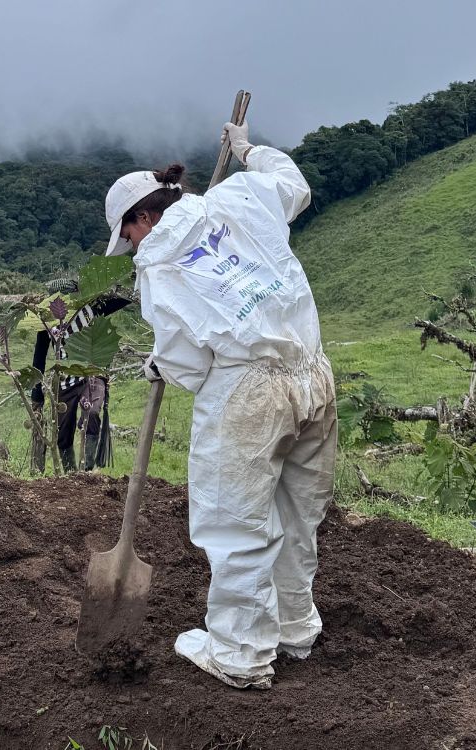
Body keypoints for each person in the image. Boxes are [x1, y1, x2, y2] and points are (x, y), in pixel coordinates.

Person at [102, 121, 336, 690]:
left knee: (237, 525)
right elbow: (292, 184)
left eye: (127, 235)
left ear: (143, 219)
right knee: (299, 513)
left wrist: (161, 361)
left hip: (249, 393)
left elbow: (188, 365)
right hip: (313, 372)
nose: (130, 245)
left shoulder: (158, 264)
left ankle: (240, 652)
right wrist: (249, 150)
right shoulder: (239, 194)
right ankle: (294, 628)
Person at [30, 289, 131, 472]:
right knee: (63, 431)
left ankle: (89, 471)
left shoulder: (89, 310)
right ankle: (70, 474)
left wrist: (139, 281)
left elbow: (122, 300)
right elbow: (40, 357)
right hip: (65, 379)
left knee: (92, 413)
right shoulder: (47, 324)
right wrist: (37, 392)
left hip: (92, 373)